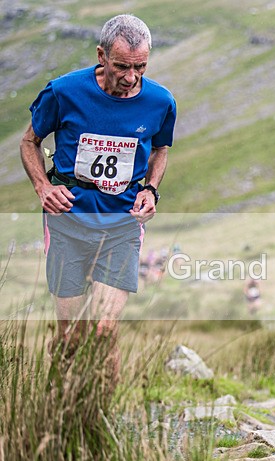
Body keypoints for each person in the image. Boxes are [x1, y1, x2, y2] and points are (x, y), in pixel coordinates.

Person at [19, 14, 177, 393]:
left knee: (105, 330)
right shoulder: (63, 92)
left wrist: (150, 189)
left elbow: (161, 148)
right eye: (122, 66)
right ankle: (58, 406)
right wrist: (43, 187)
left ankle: (101, 416)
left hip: (122, 225)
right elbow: (29, 143)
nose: (131, 77)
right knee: (72, 335)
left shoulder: (160, 101)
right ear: (101, 55)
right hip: (68, 221)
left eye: (140, 67)